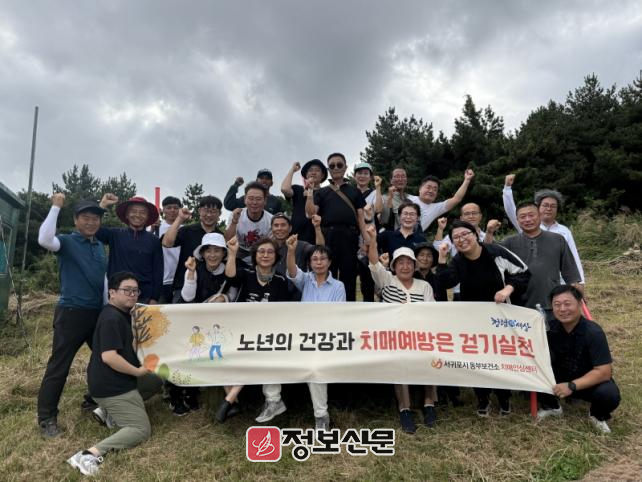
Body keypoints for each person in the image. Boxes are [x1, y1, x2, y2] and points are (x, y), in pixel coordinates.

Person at [66, 272, 162, 477]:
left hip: (117, 380)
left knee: (155, 380)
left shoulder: (122, 314)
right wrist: (137, 371)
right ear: (112, 293)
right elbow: (109, 357)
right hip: (111, 387)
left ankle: (107, 413)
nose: (132, 294)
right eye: (126, 290)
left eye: (135, 291)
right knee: (140, 429)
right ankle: (88, 455)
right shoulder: (111, 318)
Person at [435, 220, 531, 417]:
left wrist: (507, 289)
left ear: (475, 234)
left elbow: (524, 272)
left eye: (465, 234)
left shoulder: (496, 252)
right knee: (477, 358)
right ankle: (482, 397)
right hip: (473, 318)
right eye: (456, 238)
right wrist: (442, 258)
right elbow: (446, 282)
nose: (461, 239)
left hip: (501, 316)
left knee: (501, 356)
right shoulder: (458, 261)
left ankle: (504, 397)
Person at [36, 194, 107, 438]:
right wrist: (56, 206)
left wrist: (106, 307)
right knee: (60, 365)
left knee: (104, 359)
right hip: (71, 313)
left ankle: (93, 399)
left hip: (97, 313)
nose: (91, 222)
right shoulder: (67, 241)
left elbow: (102, 281)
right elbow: (44, 239)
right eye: (85, 217)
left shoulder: (99, 246)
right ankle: (46, 418)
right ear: (76, 220)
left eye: (95, 218)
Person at [365, 224, 437, 433]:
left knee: (430, 358)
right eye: (400, 263)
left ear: (415, 266)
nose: (405, 267)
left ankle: (429, 404)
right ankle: (404, 409)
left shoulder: (424, 286)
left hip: (420, 335)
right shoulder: (387, 280)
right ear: (394, 266)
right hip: (394, 336)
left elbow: (432, 312)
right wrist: (373, 240)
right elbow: (373, 262)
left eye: (409, 263)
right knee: (399, 364)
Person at [215, 236, 291, 423]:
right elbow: (230, 276)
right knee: (220, 353)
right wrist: (232, 253)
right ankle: (233, 401)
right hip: (240, 330)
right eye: (261, 252)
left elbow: (283, 312)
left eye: (270, 252)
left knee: (263, 353)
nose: (265, 255)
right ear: (255, 255)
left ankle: (230, 400)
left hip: (268, 334)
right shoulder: (246, 273)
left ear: (276, 256)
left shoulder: (281, 281)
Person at [169, 233, 238, 416]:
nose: (212, 255)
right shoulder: (194, 268)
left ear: (224, 253)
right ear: (203, 253)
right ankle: (177, 395)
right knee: (186, 355)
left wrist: (221, 299)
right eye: (208, 251)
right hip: (191, 320)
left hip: (217, 323)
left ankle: (194, 393)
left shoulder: (230, 270)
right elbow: (187, 296)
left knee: (206, 357)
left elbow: (232, 296)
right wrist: (191, 273)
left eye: (217, 251)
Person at [537, 285, 620, 433]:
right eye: (557, 304)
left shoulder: (593, 332)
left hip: (587, 383)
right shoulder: (548, 329)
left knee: (609, 394)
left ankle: (596, 415)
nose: (562, 309)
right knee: (533, 372)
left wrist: (571, 386)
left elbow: (604, 372)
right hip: (559, 379)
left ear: (580, 304)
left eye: (567, 304)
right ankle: (552, 407)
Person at [285, 234, 346, 430]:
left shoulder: (338, 286)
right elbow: (292, 271)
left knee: (316, 369)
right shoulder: (306, 280)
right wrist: (291, 251)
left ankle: (321, 416)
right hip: (303, 337)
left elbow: (338, 315)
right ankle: (273, 401)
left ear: (329, 262)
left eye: (322, 259)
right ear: (310, 263)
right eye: (314, 259)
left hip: (327, 339)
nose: (318, 263)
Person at [486, 202, 582, 314]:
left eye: (531, 215)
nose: (527, 219)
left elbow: (570, 274)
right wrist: (489, 232)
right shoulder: (509, 242)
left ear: (540, 216)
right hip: (518, 307)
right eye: (522, 217)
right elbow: (487, 254)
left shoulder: (557, 239)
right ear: (517, 220)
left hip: (551, 305)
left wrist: (578, 296)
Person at [305, 152, 368, 301]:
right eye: (332, 166)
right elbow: (310, 213)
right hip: (328, 235)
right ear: (328, 169)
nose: (336, 168)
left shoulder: (355, 191)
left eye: (339, 165)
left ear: (345, 167)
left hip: (350, 236)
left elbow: (361, 217)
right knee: (327, 273)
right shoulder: (321, 192)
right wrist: (310, 192)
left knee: (349, 274)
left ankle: (349, 308)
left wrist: (366, 240)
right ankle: (327, 307)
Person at [502, 174, 585, 285]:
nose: (549, 209)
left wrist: (580, 282)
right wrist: (507, 188)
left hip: (559, 283)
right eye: (545, 205)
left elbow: (573, 257)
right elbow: (511, 210)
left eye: (553, 206)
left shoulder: (564, 231)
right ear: (538, 207)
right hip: (531, 282)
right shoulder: (528, 225)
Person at [97, 194, 163, 304]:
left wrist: (154, 298)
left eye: (142, 212)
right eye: (133, 211)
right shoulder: (115, 235)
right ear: (127, 215)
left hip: (144, 296)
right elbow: (96, 230)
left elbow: (158, 271)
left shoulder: (154, 240)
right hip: (117, 294)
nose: (138, 215)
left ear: (147, 217)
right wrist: (102, 206)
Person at [161, 195, 224, 302]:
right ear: (199, 211)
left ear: (219, 213)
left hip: (211, 289)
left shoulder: (220, 236)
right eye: (206, 210)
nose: (209, 215)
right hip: (183, 285)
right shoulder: (187, 230)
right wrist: (179, 219)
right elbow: (166, 243)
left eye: (213, 211)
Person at [433, 202, 487, 300]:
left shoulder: (487, 237)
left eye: (474, 213)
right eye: (467, 214)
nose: (471, 216)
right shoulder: (454, 235)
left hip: (484, 287)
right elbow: (438, 248)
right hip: (459, 289)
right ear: (461, 218)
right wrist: (440, 229)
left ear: (480, 216)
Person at [270, 212, 324, 300]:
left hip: (296, 297)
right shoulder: (266, 248)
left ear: (290, 228)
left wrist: (317, 227)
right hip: (273, 295)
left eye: (283, 225)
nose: (279, 228)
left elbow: (320, 251)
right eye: (276, 225)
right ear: (271, 228)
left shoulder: (301, 245)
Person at [408, 169, 475, 232]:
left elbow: (456, 199)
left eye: (435, 189)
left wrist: (467, 180)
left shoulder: (436, 208)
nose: (431, 191)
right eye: (428, 187)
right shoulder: (407, 197)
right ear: (420, 189)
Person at [353, 162, 383, 302]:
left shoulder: (374, 193)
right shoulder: (350, 192)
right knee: (349, 277)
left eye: (366, 173)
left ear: (370, 177)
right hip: (352, 238)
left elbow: (379, 209)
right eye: (359, 173)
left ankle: (369, 306)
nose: (362, 176)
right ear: (354, 176)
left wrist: (378, 188)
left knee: (368, 279)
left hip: (369, 240)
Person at [280, 159, 328, 243]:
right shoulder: (298, 189)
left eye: (317, 170)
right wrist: (292, 170)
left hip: (317, 238)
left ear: (322, 176)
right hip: (296, 237)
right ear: (306, 175)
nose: (313, 173)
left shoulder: (326, 192)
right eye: (310, 170)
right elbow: (284, 189)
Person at [224, 182, 273, 264]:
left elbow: (271, 245)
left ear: (265, 201)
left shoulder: (271, 219)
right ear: (245, 199)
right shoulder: (236, 214)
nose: (254, 202)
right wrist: (234, 222)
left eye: (258, 199)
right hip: (238, 249)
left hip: (261, 251)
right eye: (250, 198)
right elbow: (227, 240)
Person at [157, 196, 182, 303]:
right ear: (163, 210)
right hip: (161, 280)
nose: (172, 210)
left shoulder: (185, 229)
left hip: (180, 280)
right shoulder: (156, 228)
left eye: (176, 208)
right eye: (169, 207)